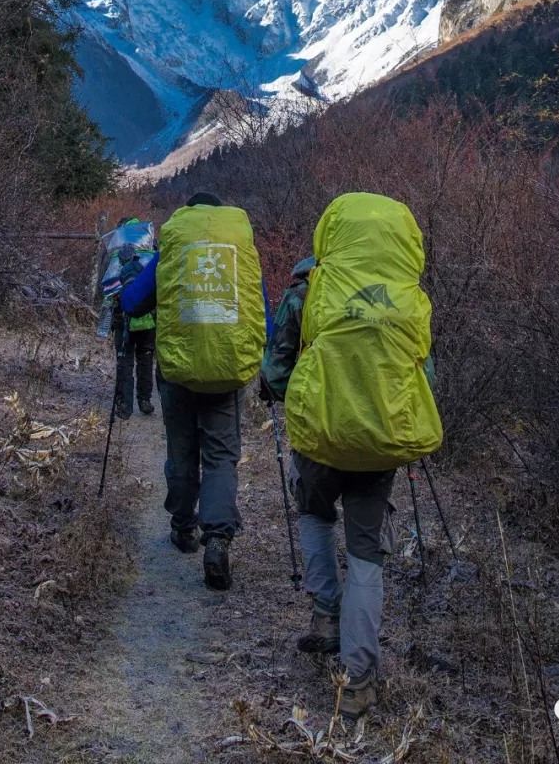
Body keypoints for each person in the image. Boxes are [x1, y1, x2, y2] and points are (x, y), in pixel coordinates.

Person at [260, 193, 443, 721]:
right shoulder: (408, 299)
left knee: (315, 514)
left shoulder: (310, 291)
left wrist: (284, 394)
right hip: (380, 442)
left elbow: (276, 373)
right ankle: (358, 678)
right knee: (367, 552)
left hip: (319, 433)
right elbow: (423, 377)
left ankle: (323, 614)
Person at [121, 191, 270, 591]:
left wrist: (131, 284)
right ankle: (218, 537)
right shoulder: (240, 255)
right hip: (227, 372)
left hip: (179, 371)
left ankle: (184, 528)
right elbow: (261, 315)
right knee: (221, 456)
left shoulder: (172, 251)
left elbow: (133, 304)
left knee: (182, 451)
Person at [111, 247, 156, 418]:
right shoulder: (146, 269)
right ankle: (145, 400)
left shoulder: (116, 272)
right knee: (145, 359)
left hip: (124, 324)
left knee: (125, 362)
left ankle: (125, 406)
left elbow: (110, 297)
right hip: (147, 324)